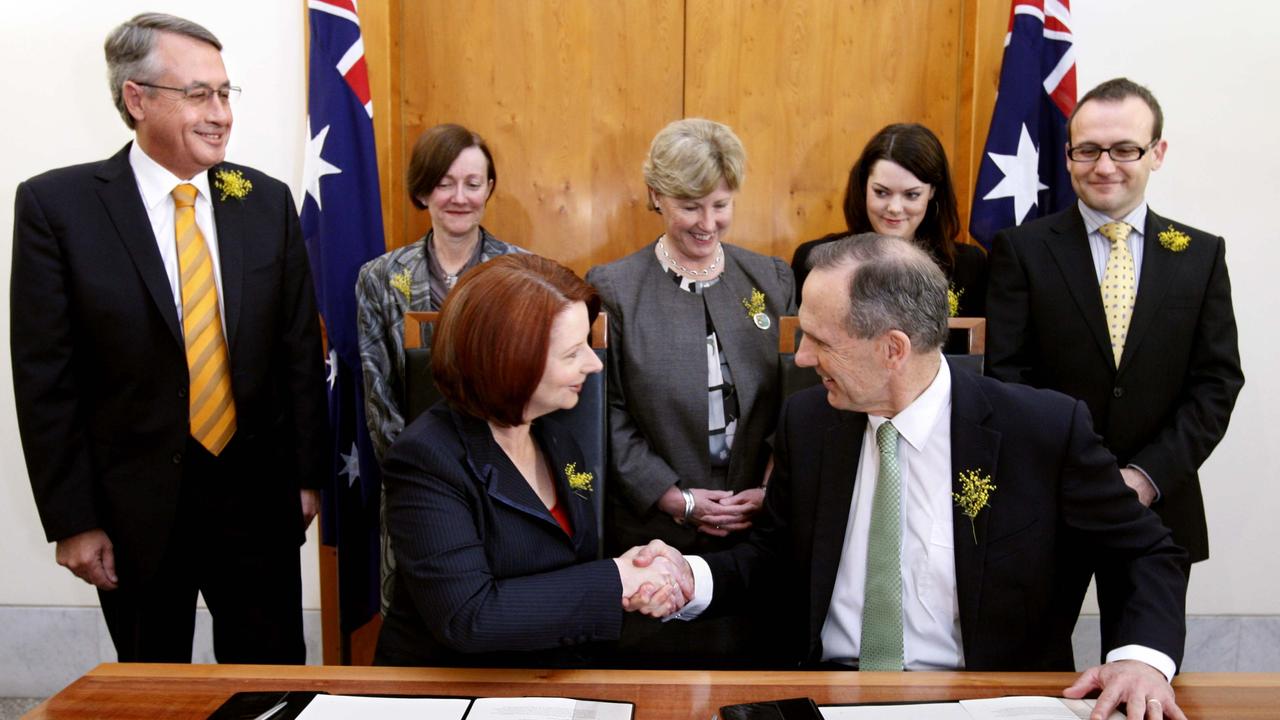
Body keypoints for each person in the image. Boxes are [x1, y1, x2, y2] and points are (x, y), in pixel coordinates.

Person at [638, 234, 1190, 719]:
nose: (802, 359)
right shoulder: (808, 423)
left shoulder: (1041, 431)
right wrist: (694, 578)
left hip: (987, 700)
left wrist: (1142, 662)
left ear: (893, 349)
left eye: (820, 340)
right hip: (825, 693)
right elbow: (773, 556)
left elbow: (1147, 552)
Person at [10, 13, 327, 663]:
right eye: (199, 94)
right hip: (134, 513)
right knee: (154, 689)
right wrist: (73, 520)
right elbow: (46, 377)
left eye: (225, 92)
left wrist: (307, 476)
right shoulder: (57, 209)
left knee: (271, 683)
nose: (221, 113)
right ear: (137, 98)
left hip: (258, 504)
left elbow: (298, 351)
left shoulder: (264, 203)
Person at [985, 78, 1243, 580]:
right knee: (1031, 659)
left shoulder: (1200, 256)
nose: (1104, 166)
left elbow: (1216, 383)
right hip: (1047, 504)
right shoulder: (1022, 251)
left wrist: (1147, 476)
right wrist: (1070, 473)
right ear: (1067, 155)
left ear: (1157, 152)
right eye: (1088, 150)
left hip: (1159, 508)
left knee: (1144, 656)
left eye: (1125, 149)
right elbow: (1005, 377)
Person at [374, 254, 684, 667]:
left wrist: (642, 573)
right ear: (510, 362)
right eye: (573, 353)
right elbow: (469, 616)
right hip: (451, 692)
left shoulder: (556, 434)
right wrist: (616, 579)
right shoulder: (425, 459)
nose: (593, 365)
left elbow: (574, 567)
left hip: (550, 678)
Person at [585, 118, 795, 664]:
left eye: (720, 205)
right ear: (656, 195)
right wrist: (677, 499)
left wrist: (771, 485)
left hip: (757, 541)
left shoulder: (770, 281)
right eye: (690, 206)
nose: (708, 223)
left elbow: (797, 396)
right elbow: (606, 415)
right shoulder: (614, 289)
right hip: (654, 544)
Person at [357, 123, 526, 463]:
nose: (460, 198)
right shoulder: (379, 278)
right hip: (413, 475)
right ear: (422, 191)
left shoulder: (525, 274)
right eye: (445, 184)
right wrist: (419, 471)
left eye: (473, 184)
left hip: (506, 473)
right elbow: (379, 398)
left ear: (488, 188)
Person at [790, 123, 988, 316]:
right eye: (881, 192)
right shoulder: (815, 260)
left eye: (911, 195)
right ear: (863, 187)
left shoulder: (968, 267)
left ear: (933, 192)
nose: (894, 208)